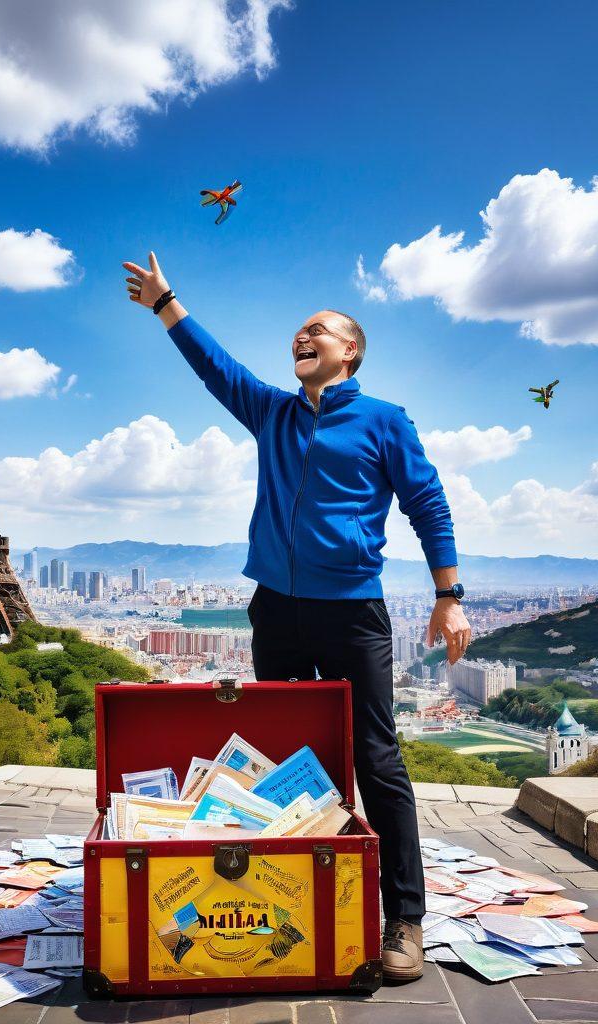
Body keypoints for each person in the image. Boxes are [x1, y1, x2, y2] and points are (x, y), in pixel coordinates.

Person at [122, 252, 472, 983]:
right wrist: (166, 305)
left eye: (318, 330)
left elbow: (427, 503)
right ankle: (296, 895)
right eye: (297, 332)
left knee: (377, 760)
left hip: (352, 613)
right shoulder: (274, 413)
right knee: (285, 760)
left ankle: (404, 917)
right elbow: (217, 369)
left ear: (350, 351)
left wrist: (450, 595)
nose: (300, 337)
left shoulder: (383, 420)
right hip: (276, 609)